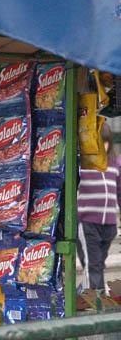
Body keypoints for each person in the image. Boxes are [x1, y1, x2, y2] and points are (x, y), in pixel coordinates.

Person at [77, 122, 120, 291]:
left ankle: (96, 299)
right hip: (88, 223)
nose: (104, 147)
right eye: (100, 143)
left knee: (99, 265)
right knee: (92, 265)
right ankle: (94, 301)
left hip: (109, 225)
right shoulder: (84, 164)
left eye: (107, 142)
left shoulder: (115, 164)